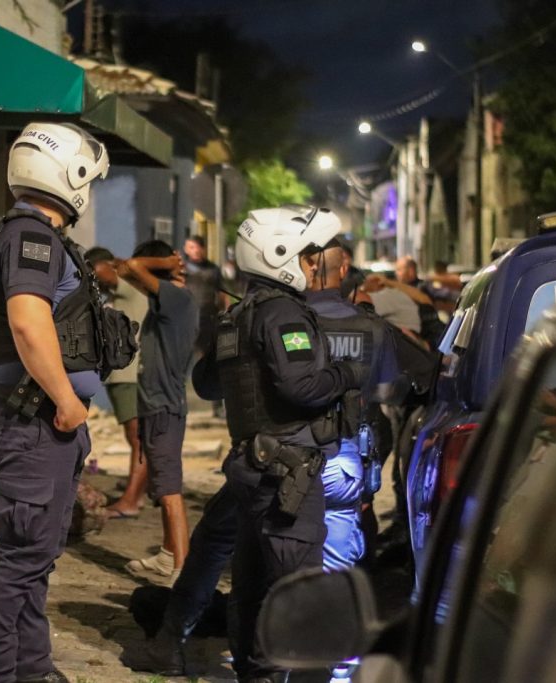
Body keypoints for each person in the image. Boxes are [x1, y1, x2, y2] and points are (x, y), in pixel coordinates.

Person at [0, 122, 129, 683]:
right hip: (34, 417)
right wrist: (65, 399)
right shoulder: (29, 240)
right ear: (69, 175)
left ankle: (31, 668)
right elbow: (27, 322)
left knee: (37, 554)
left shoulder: (29, 237)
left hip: (39, 421)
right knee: (20, 557)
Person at [198, 206, 366, 682]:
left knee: (253, 589)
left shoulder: (239, 314)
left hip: (253, 469)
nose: (314, 266)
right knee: (297, 594)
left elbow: (207, 382)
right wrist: (347, 374)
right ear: (280, 255)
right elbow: (303, 388)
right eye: (309, 257)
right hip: (287, 474)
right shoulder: (283, 313)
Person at [306, 241, 402, 572]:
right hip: (348, 449)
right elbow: (387, 391)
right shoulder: (373, 327)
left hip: (293, 447)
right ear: (344, 269)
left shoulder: (288, 319)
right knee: (342, 549)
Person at [120, 240, 199, 582]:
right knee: (161, 487)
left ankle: (183, 572)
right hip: (155, 407)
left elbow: (130, 267)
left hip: (165, 408)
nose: (138, 284)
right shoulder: (164, 300)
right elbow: (127, 269)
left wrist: (166, 263)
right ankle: (168, 556)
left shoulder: (175, 298)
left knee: (169, 492)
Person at [85, 246, 150, 519]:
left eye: (94, 271)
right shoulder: (118, 294)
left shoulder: (129, 289)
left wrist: (116, 265)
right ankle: (139, 494)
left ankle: (131, 500)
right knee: (137, 438)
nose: (94, 279)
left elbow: (112, 271)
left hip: (129, 377)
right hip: (122, 377)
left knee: (138, 439)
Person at [184, 234, 228, 415]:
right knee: (181, 361)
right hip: (185, 320)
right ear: (186, 249)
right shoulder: (182, 269)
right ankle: (180, 404)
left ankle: (217, 406)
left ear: (202, 248)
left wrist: (226, 315)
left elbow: (222, 294)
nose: (194, 251)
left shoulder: (213, 270)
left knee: (211, 361)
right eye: (190, 247)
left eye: (196, 247)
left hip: (208, 321)